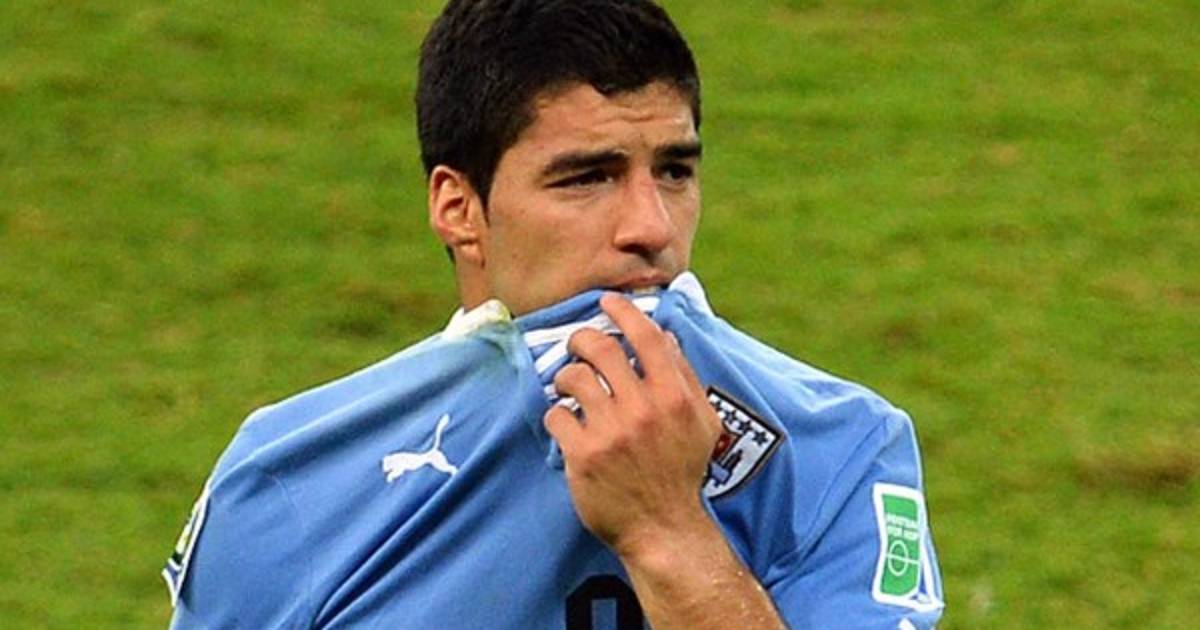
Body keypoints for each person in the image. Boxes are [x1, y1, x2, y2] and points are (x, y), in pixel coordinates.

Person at [164, 0, 945, 628]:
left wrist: (670, 535)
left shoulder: (837, 447)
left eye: (674, 171)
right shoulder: (291, 479)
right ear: (459, 208)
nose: (651, 226)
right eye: (587, 178)